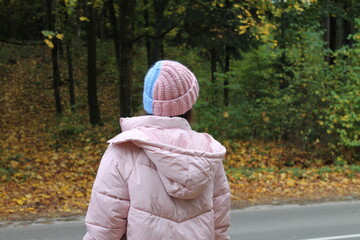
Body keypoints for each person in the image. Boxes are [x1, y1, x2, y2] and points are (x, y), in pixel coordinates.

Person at [83, 60, 231, 240]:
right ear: (189, 103)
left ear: (148, 103)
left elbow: (104, 229)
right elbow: (219, 228)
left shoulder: (123, 151)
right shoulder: (208, 153)